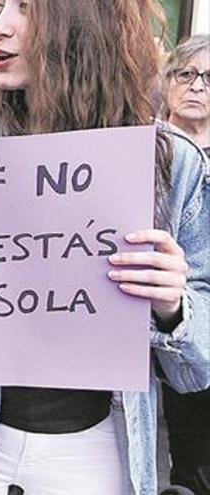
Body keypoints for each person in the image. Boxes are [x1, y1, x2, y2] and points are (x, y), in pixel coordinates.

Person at [0, 0, 210, 493]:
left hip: (100, 450)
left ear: (84, 23)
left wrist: (172, 307)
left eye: (26, 9)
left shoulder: (169, 165)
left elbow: (198, 365)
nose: (0, 27)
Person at [159, 34, 210, 495]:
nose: (197, 86)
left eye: (209, 79)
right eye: (186, 75)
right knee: (190, 460)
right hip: (171, 327)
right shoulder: (147, 149)